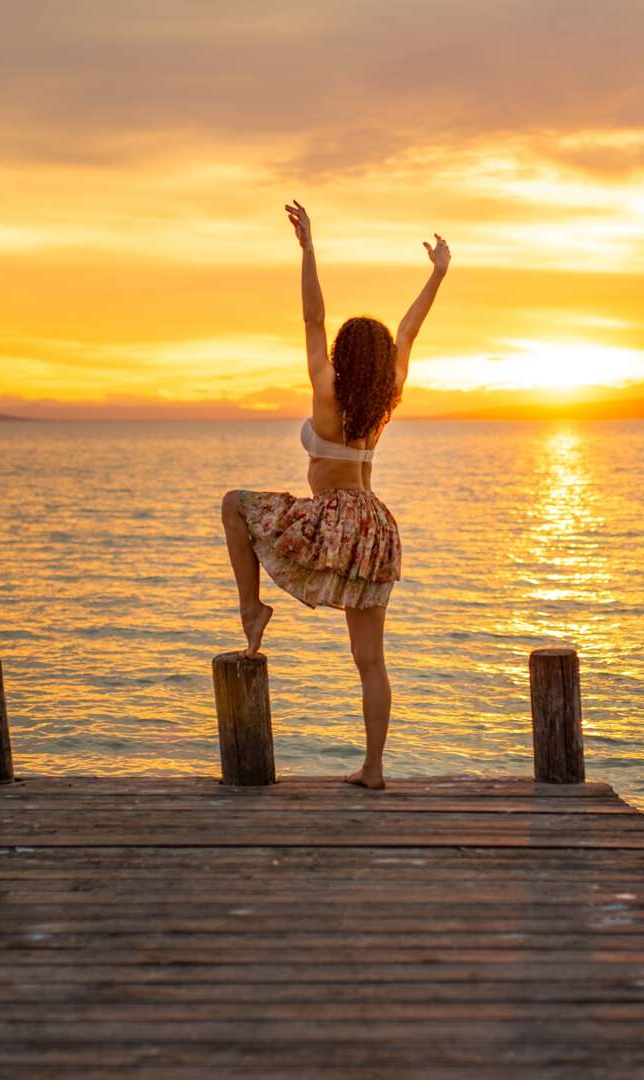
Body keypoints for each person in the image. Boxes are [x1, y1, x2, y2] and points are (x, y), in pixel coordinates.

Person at [220, 199, 450, 790]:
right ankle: (373, 769)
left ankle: (252, 608)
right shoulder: (386, 397)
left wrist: (309, 249)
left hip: (332, 520)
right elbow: (408, 330)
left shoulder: (328, 393)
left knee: (234, 505)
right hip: (374, 527)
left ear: (342, 357)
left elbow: (312, 319)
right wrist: (438, 273)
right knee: (370, 660)